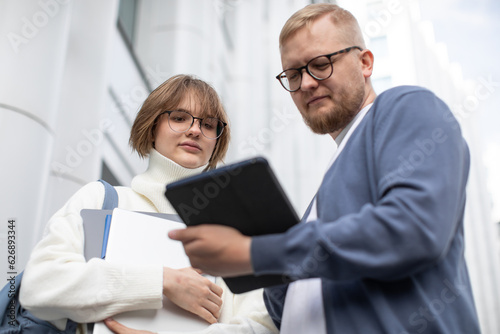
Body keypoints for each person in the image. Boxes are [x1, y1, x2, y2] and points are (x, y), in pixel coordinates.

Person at [168, 4, 481, 334]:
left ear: (365, 62)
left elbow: (413, 228)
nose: (305, 83)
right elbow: (279, 320)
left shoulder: (407, 106)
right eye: (292, 74)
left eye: (320, 65)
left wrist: (253, 252)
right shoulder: (318, 208)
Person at [19, 74, 278, 334]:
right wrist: (163, 281)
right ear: (153, 126)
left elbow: (263, 325)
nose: (195, 130)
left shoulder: (236, 230)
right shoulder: (101, 200)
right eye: (179, 118)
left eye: (209, 125)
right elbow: (39, 286)